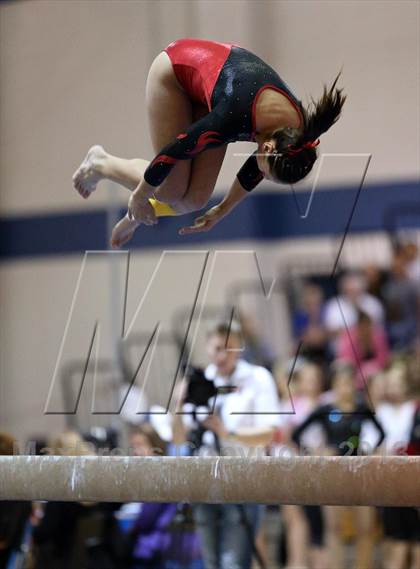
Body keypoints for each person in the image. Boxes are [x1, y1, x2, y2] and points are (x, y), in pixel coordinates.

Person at [72, 38, 346, 247]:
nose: (259, 173)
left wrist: (222, 211)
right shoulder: (234, 118)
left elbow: (256, 168)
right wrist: (139, 198)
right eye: (266, 172)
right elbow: (175, 151)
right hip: (175, 73)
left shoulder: (292, 134)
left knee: (194, 202)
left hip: (215, 91)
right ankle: (100, 163)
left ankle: (137, 210)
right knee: (168, 190)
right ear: (268, 148)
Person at [291, 362, 385, 569]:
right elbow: (296, 435)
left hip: (360, 471)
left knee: (365, 528)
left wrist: (370, 451)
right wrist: (315, 451)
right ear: (333, 386)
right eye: (340, 384)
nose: (345, 388)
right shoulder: (325, 410)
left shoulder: (362, 408)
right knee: (334, 529)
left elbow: (381, 433)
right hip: (333, 472)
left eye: (349, 383)